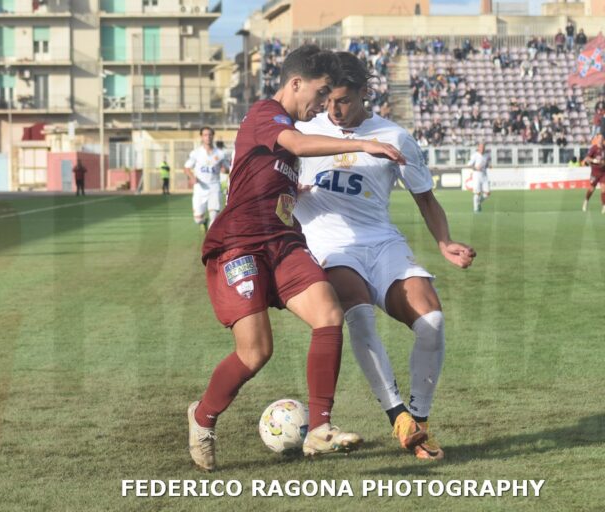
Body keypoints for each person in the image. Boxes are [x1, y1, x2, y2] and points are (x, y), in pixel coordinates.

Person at [187, 45, 405, 472]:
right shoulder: (265, 114)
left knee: (328, 313)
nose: (323, 104)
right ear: (295, 83)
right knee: (255, 352)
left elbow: (273, 171)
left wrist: (292, 193)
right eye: (320, 93)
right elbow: (296, 144)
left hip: (284, 242)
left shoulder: (287, 128)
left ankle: (320, 429)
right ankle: (202, 417)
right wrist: (364, 142)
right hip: (241, 244)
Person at [294, 52, 475, 461]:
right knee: (357, 313)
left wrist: (444, 242)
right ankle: (399, 417)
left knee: (432, 320)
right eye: (327, 99)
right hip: (330, 245)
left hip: (382, 242)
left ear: (364, 93)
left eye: (342, 99)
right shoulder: (304, 132)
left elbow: (425, 199)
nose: (333, 109)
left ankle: (420, 421)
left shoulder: (394, 136)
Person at [183, 127, 229, 232]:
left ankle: (210, 242)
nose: (208, 137)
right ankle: (203, 222)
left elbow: (227, 169)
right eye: (205, 135)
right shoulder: (196, 153)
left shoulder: (220, 154)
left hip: (214, 187)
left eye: (210, 135)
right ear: (201, 137)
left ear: (213, 136)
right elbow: (186, 168)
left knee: (214, 218)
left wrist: (224, 170)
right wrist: (192, 177)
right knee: (197, 219)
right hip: (200, 188)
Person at [582, 135, 605, 213]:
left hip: (603, 172)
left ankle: (604, 206)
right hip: (595, 172)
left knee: (603, 188)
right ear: (597, 140)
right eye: (599, 139)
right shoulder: (593, 148)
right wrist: (594, 160)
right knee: (591, 189)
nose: (600, 141)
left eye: (602, 139)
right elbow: (587, 158)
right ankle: (586, 201)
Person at [467, 143, 491, 213]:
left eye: (483, 147)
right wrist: (475, 168)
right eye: (481, 147)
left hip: (484, 175)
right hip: (477, 175)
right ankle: (476, 209)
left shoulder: (486, 155)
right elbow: (469, 165)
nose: (482, 149)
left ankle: (478, 202)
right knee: (477, 193)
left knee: (487, 193)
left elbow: (486, 164)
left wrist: (488, 166)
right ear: (478, 148)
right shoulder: (475, 155)